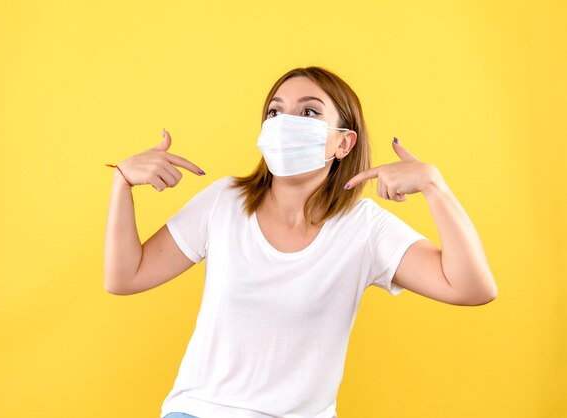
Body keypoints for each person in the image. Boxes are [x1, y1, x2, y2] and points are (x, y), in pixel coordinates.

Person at [103, 66, 498, 418]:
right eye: (275, 112)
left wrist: (434, 186)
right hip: (199, 411)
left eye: (309, 111)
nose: (284, 123)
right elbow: (125, 277)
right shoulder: (225, 202)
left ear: (344, 143)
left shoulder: (364, 228)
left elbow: (472, 288)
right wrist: (122, 182)